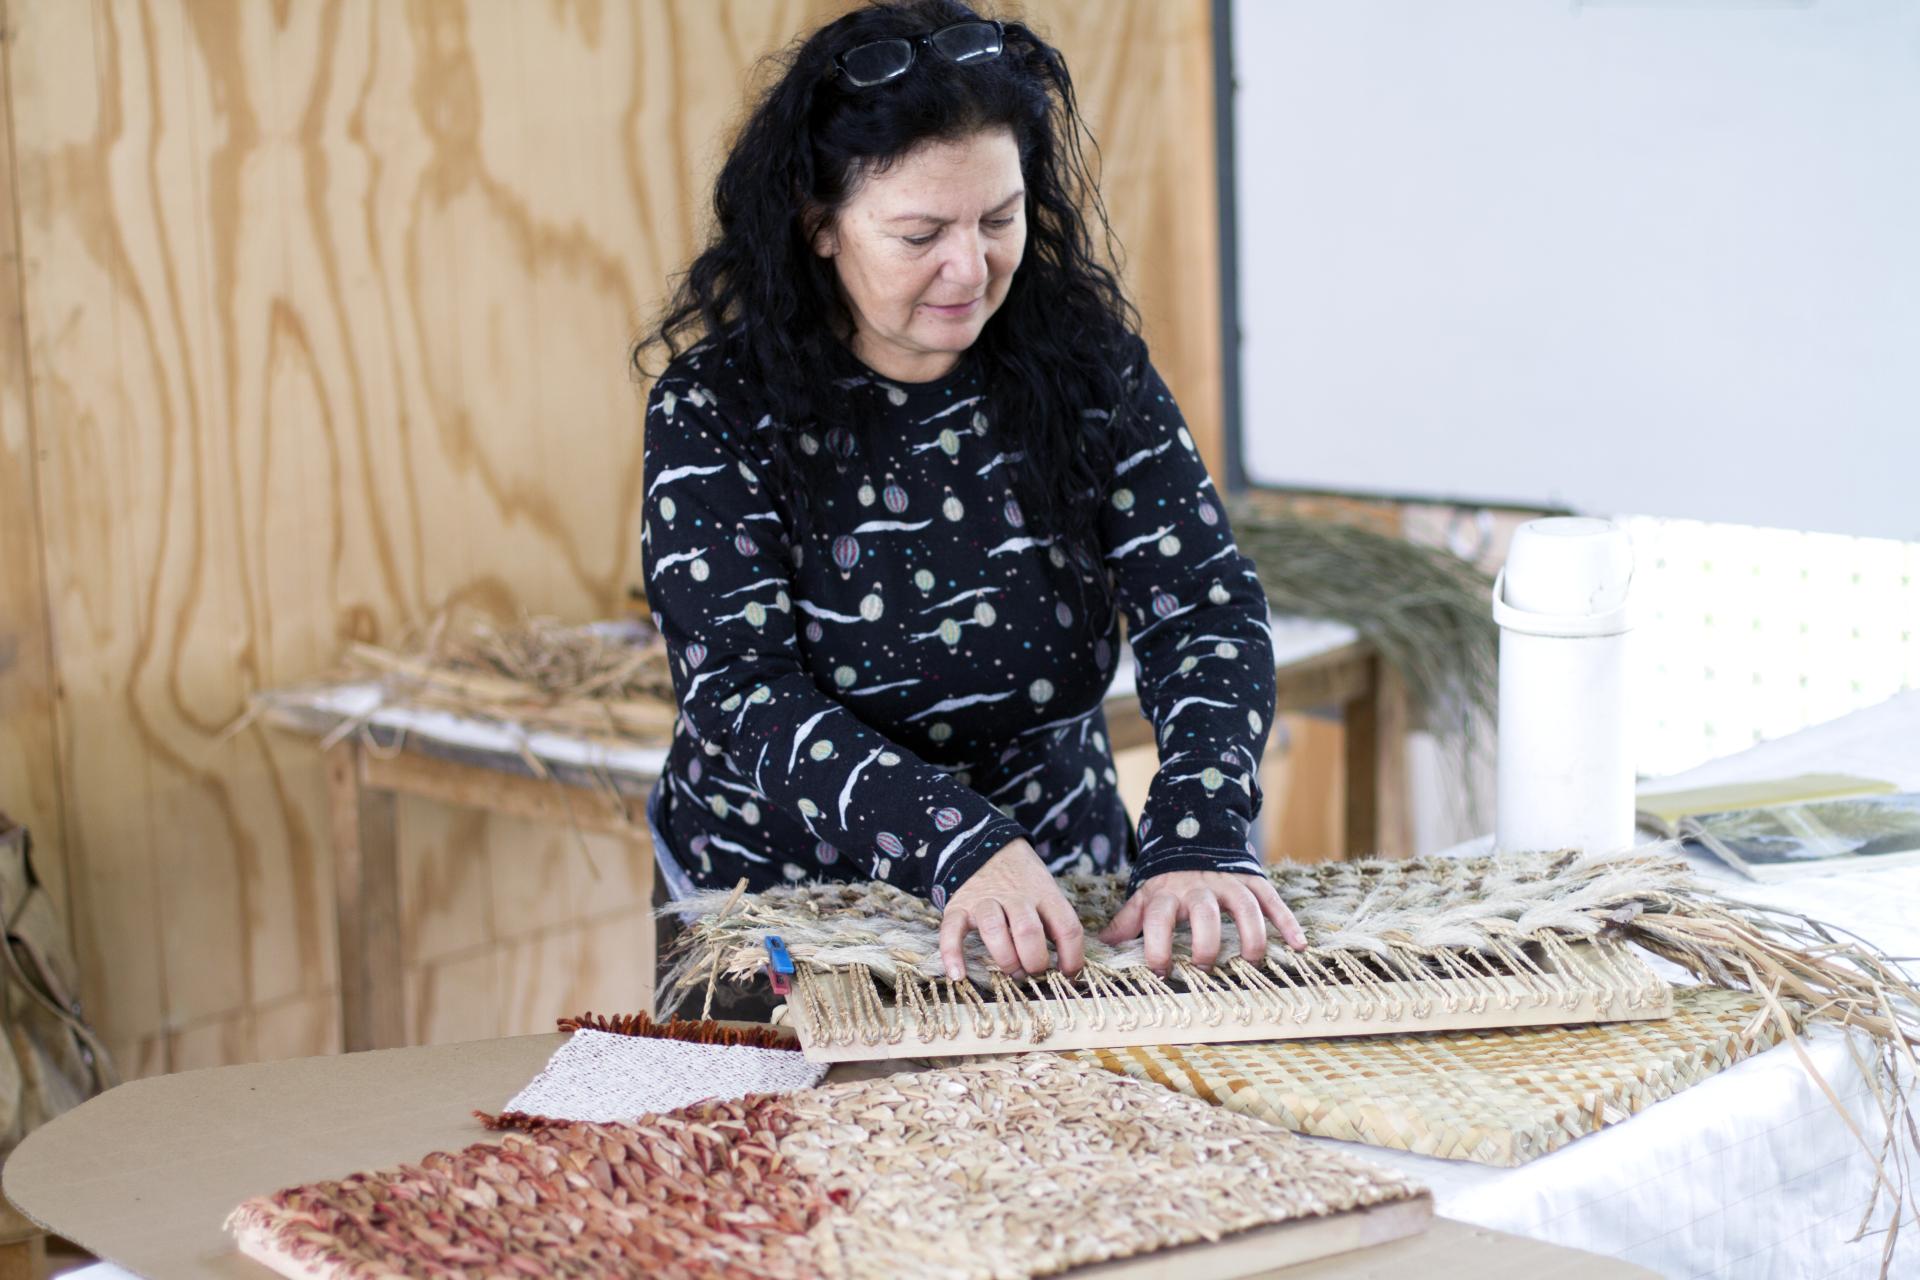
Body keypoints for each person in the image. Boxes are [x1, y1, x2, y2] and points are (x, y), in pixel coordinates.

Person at [635, 0, 1306, 993]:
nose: (971, 266)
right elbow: (741, 689)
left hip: (1061, 892)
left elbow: (1201, 606)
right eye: (919, 233)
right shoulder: (716, 408)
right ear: (818, 225)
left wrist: (1201, 836)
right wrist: (958, 840)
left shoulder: (1088, 370)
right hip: (784, 913)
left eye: (1000, 218)